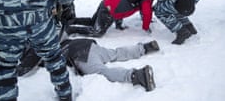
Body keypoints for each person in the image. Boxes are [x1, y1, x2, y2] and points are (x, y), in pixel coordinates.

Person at [17, 30, 159, 92]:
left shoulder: (36, 46)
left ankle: (136, 76)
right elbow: (64, 32)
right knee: (114, 54)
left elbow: (24, 70)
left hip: (80, 55)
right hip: (87, 45)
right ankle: (144, 48)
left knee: (103, 72)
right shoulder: (48, 31)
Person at [65, 0, 155, 38]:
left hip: (107, 1)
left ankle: (72, 21)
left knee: (93, 21)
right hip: (109, 10)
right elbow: (147, 14)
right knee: (98, 32)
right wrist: (146, 28)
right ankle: (71, 30)